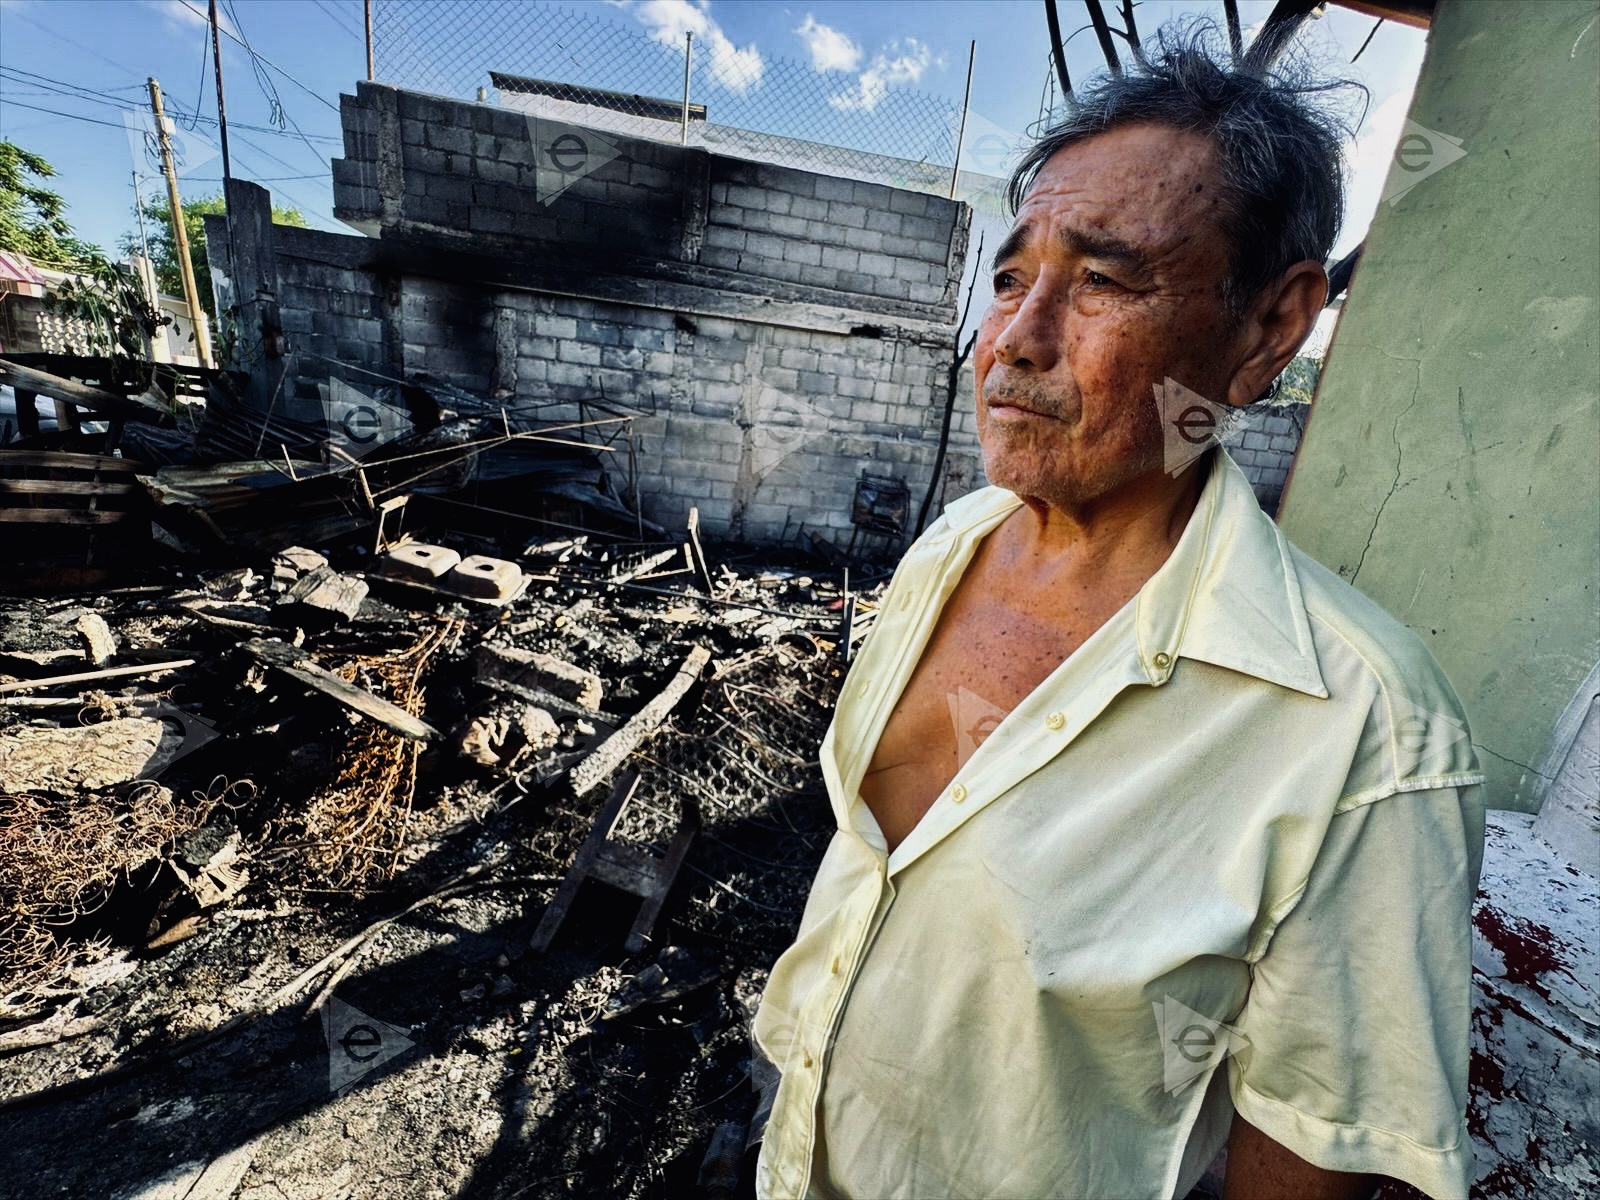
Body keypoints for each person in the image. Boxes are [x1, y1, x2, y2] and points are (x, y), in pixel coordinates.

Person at [750, 23, 1486, 1200]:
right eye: (1009, 278)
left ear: (1270, 329)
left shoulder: (1360, 737)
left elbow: (1306, 1160)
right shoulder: (948, 547)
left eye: (1100, 279)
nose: (1012, 342)